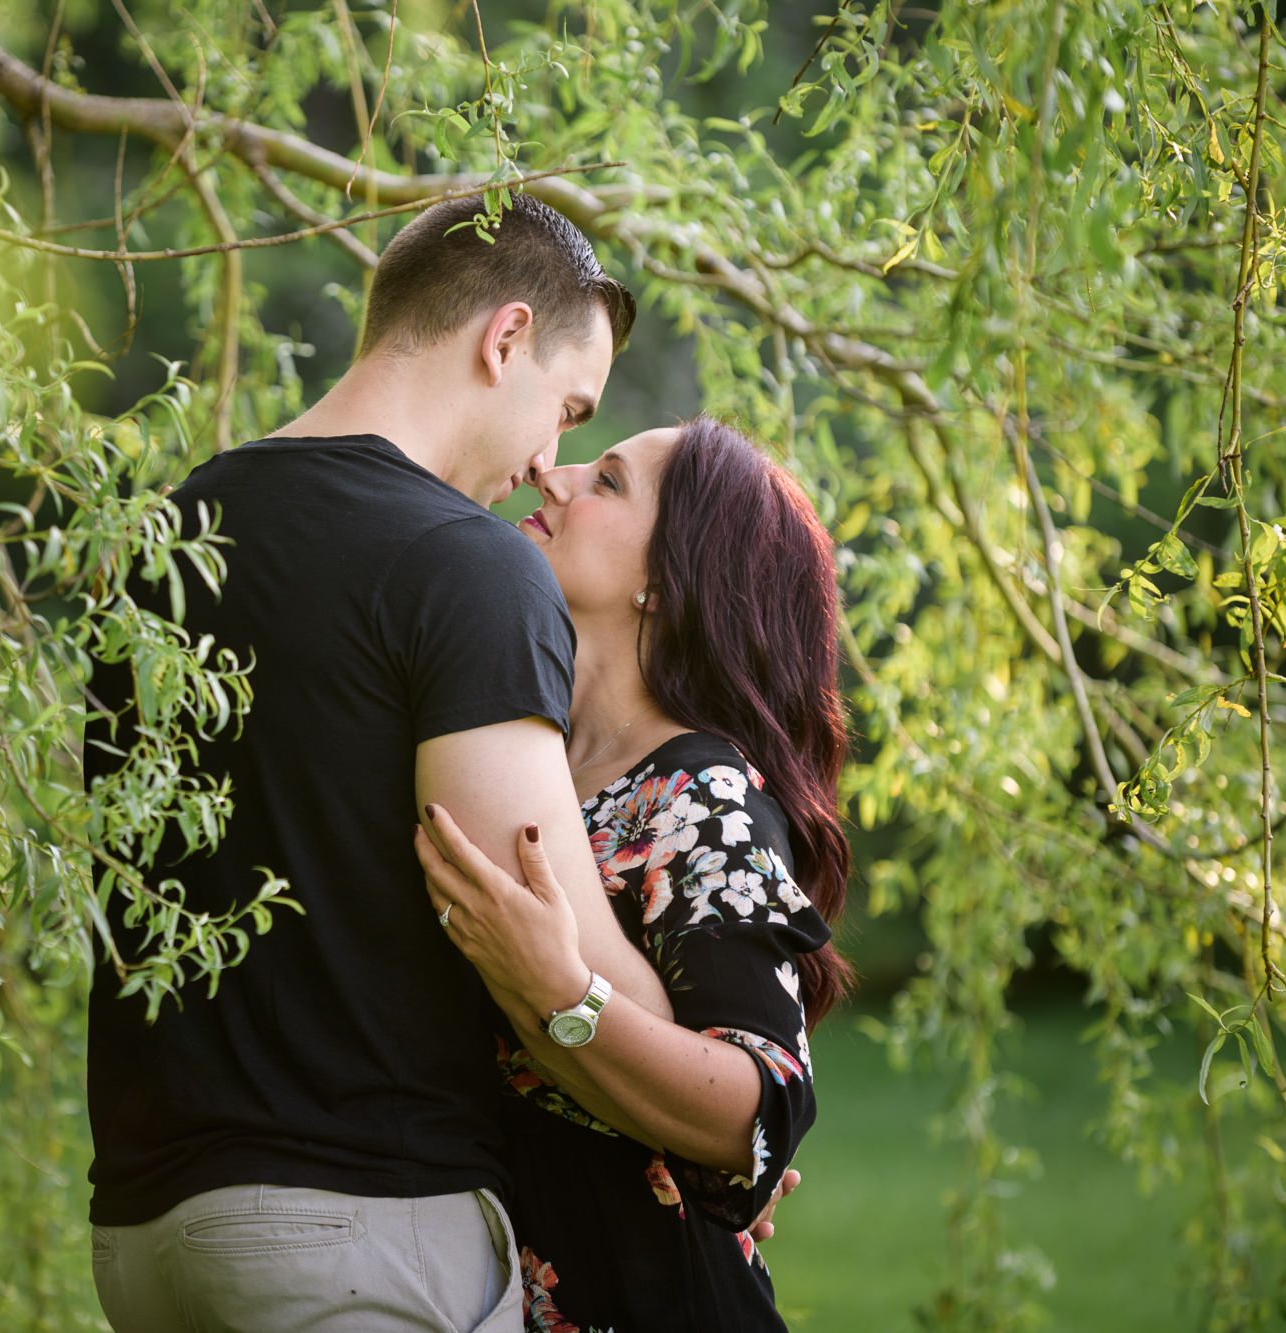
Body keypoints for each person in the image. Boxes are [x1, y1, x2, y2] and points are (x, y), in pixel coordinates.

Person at [82, 193, 671, 1332]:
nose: (551, 460)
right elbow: (547, 939)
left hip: (144, 1237)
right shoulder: (466, 569)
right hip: (353, 1236)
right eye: (565, 407)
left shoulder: (171, 533)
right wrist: (705, 1064)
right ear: (501, 340)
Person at [415, 418, 851, 1331]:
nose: (555, 476)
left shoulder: (701, 791)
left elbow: (758, 1108)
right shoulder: (513, 754)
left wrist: (562, 992)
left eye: (608, 481)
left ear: (667, 580)